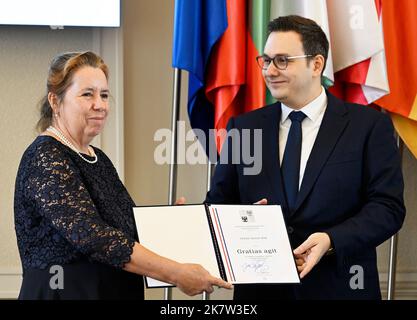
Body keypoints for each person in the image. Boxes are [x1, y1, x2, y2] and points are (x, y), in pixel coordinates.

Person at [206, 15, 405, 300]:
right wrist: (191, 220)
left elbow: (388, 208)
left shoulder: (368, 127)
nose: (270, 70)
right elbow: (219, 204)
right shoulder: (243, 127)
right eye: (266, 60)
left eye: (283, 60)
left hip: (342, 288)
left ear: (317, 64)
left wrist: (331, 240)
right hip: (262, 294)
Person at [14, 51, 232, 300]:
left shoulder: (97, 158)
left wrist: (170, 225)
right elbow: (92, 236)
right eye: (87, 94)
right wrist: (176, 273)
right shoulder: (45, 157)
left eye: (104, 95)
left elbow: (124, 230)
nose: (100, 104)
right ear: (55, 101)